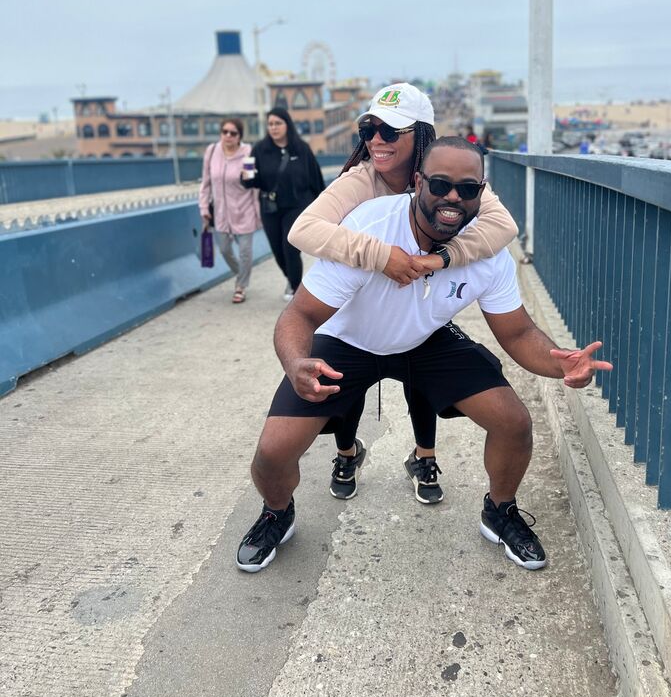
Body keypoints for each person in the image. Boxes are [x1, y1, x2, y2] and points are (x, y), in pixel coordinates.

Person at [236, 137, 611, 574]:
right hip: (349, 340)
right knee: (272, 453)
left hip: (425, 340)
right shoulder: (368, 229)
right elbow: (298, 316)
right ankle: (277, 514)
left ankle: (500, 511)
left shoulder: (486, 252)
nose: (453, 196)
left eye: (468, 189)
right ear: (417, 182)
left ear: (481, 193)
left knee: (514, 422)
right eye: (440, 184)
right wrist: (295, 363)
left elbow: (519, 331)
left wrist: (559, 362)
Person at [288, 83, 519, 505]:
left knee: (421, 372)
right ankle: (346, 452)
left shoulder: (448, 179)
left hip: (418, 303)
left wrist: (443, 258)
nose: (377, 139)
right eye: (369, 129)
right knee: (344, 381)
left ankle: (424, 455)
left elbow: (502, 226)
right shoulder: (360, 182)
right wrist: (381, 255)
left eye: (391, 131)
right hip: (358, 304)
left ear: (422, 136)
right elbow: (302, 230)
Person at [242, 107, 325, 302]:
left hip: (297, 205)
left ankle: (297, 291)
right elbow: (250, 181)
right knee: (278, 251)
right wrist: (245, 176)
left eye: (278, 123)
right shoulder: (259, 149)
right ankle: (292, 279)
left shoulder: (301, 149)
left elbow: (316, 179)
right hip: (270, 207)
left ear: (287, 125)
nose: (274, 127)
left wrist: (323, 207)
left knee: (290, 247)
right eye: (270, 124)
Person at [199, 117, 261, 304]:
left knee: (244, 252)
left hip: (244, 210)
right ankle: (241, 274)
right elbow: (206, 183)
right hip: (220, 214)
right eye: (224, 132)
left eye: (233, 133)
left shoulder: (248, 153)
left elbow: (252, 184)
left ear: (239, 136)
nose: (228, 136)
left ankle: (240, 286)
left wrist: (258, 211)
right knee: (225, 250)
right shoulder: (211, 152)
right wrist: (204, 207)